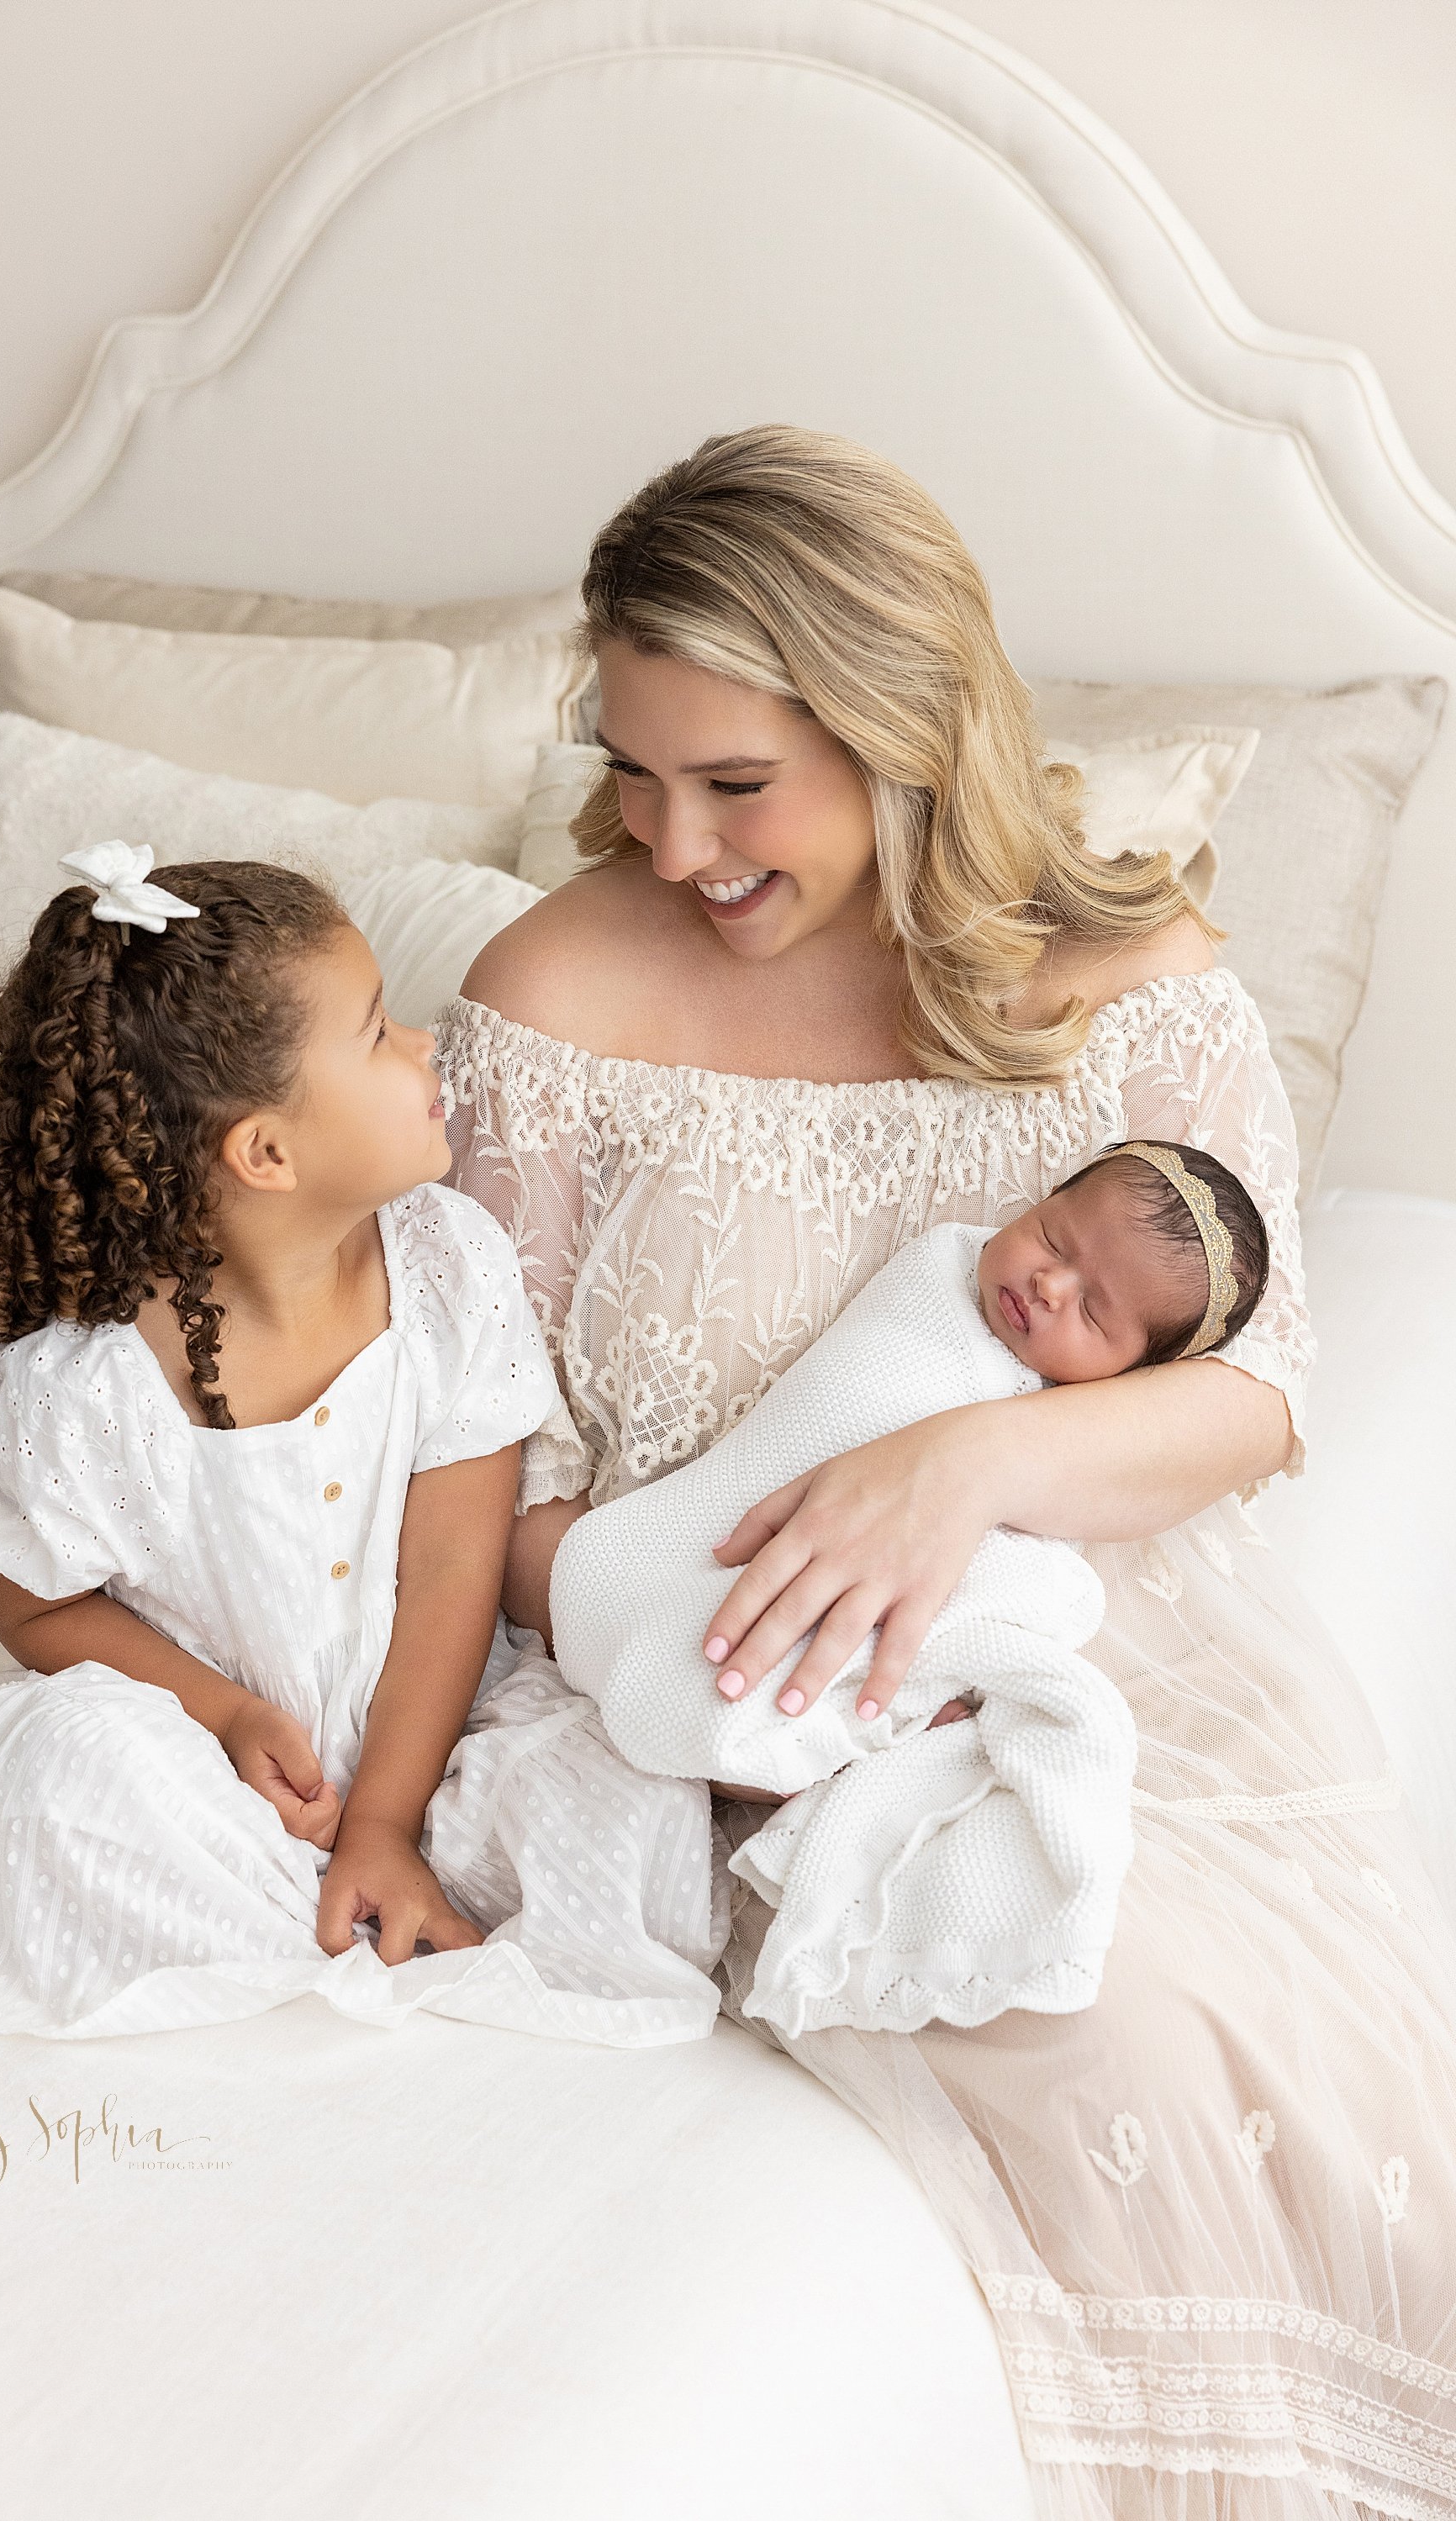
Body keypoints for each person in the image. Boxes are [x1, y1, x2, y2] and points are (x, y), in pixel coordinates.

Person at [441, 427, 1456, 2518]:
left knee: (1152, 2011)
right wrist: (697, 1641)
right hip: (686, 1690)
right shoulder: (544, 998)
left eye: (737, 781)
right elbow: (469, 1463)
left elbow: (1256, 1392)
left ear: (904, 727)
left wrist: (960, 1467)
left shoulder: (1128, 987)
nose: (673, 839)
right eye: (632, 770)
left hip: (1065, 1655)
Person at [0, 850, 723, 2046]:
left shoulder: (450, 1272)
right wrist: (226, 1717)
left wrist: (386, 1815)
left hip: (438, 1726)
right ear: (266, 1155)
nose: (429, 1047)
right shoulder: (85, 1384)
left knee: (628, 1787)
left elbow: (455, 1571)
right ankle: (302, 1918)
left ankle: (378, 1879)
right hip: (209, 1755)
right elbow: (35, 1611)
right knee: (64, 1776)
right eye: (381, 1031)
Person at [550, 1144, 1270, 2040]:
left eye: (1092, 1310)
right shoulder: (934, 1277)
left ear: (1128, 1376)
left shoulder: (1062, 1431)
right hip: (710, 1538)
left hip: (868, 1595)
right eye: (1053, 1238)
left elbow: (1019, 1570)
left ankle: (815, 1718)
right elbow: (836, 1407)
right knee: (635, 1583)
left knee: (1046, 1598)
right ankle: (668, 1629)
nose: (1048, 1285)